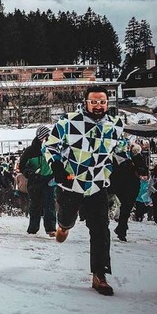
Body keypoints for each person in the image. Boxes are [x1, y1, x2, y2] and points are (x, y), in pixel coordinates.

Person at [43, 85, 128, 296]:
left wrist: (129, 164)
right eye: (94, 102)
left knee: (100, 228)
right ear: (86, 102)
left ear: (107, 103)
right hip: (71, 183)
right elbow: (50, 146)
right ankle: (63, 226)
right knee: (67, 219)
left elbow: (120, 150)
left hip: (97, 184)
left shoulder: (115, 125)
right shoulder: (68, 121)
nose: (98, 106)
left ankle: (100, 275)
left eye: (102, 102)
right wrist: (57, 166)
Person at [19, 126, 56, 236]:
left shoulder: (52, 148)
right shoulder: (30, 151)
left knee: (49, 204)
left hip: (49, 180)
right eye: (45, 136)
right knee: (35, 205)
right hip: (34, 181)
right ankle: (33, 228)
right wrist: (28, 172)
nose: (47, 139)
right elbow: (22, 165)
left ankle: (51, 229)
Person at [110, 142, 146, 241]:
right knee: (126, 207)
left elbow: (143, 171)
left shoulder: (133, 158)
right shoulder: (133, 158)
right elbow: (143, 172)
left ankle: (122, 228)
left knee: (126, 207)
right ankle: (122, 229)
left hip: (123, 185)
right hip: (128, 186)